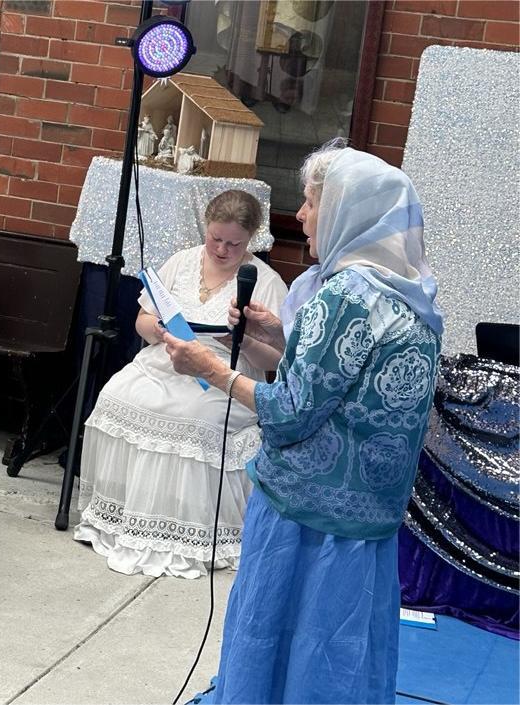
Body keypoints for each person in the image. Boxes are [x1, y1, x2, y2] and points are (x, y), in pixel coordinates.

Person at [162, 143, 443, 703]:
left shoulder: (344, 295)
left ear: (345, 212)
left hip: (307, 515)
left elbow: (290, 414)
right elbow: (357, 385)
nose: (302, 217)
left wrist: (210, 369)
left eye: (313, 203)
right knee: (343, 647)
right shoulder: (411, 295)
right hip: (370, 515)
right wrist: (286, 341)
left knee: (284, 637)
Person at [74, 190, 288, 579]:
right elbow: (141, 320)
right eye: (215, 239)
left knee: (191, 415)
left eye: (233, 243)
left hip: (223, 375)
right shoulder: (181, 262)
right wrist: (159, 330)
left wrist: (240, 340)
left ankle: (179, 525)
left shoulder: (265, 281)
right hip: (163, 359)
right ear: (205, 228)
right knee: (116, 394)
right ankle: (125, 514)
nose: (222, 249)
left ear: (251, 238)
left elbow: (277, 361)